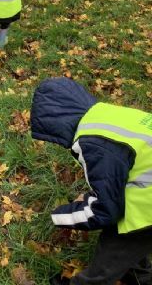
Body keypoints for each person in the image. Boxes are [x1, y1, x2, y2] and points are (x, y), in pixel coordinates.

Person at [30, 77, 152, 285]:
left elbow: (105, 210)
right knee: (134, 241)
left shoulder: (92, 143)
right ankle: (140, 276)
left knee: (113, 250)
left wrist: (59, 217)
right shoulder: (106, 113)